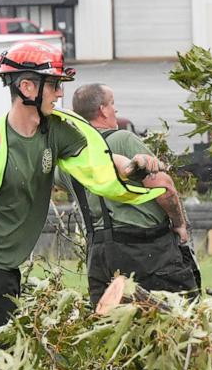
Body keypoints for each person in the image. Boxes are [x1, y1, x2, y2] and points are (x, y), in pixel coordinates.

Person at [0, 40, 166, 370]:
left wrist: (133, 165)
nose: (59, 94)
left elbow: (98, 158)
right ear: (27, 86)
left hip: (5, 269)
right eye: (54, 85)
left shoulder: (53, 131)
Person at [56, 83, 201, 306]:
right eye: (113, 103)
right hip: (146, 252)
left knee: (112, 330)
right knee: (179, 318)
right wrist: (179, 223)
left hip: (99, 257)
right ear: (102, 110)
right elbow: (164, 188)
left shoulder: (69, 160)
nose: (116, 110)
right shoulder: (122, 140)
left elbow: (50, 183)